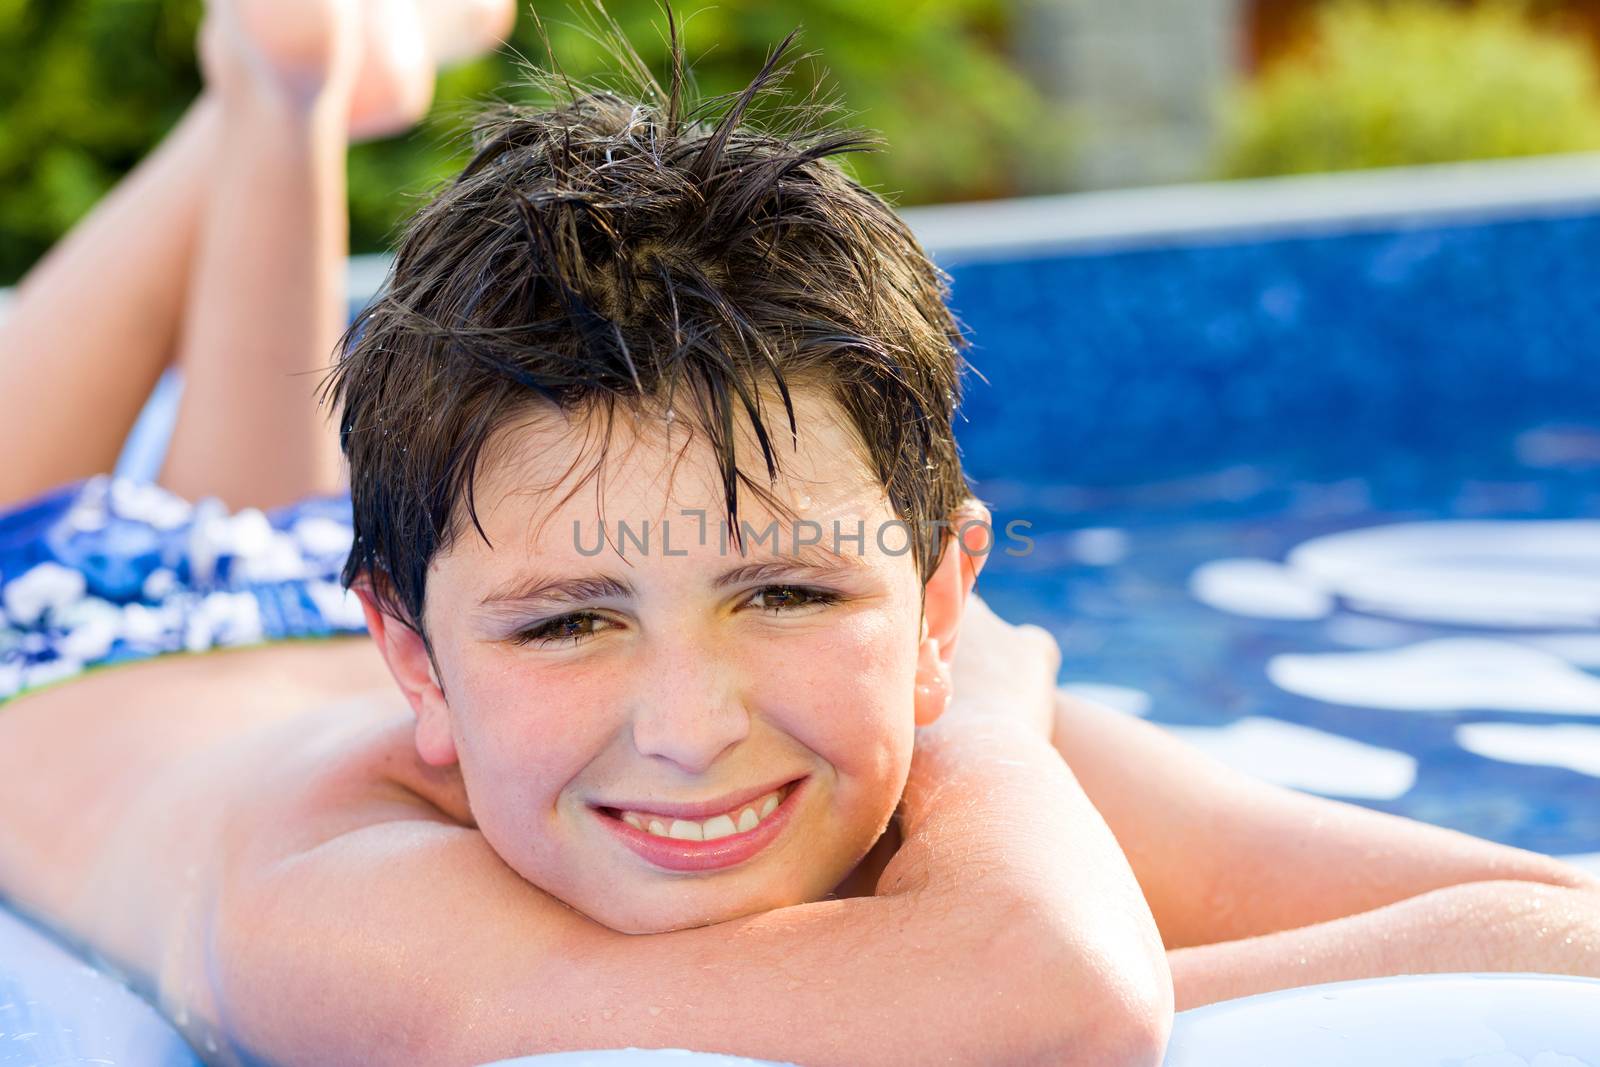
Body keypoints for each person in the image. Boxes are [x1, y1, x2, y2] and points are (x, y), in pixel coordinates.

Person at [0, 2, 1596, 1065]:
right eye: (579, 622)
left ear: (939, 597)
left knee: (281, 502)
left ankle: (283, 82)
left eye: (782, 590)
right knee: (221, 503)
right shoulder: (328, 913)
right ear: (409, 658)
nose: (694, 734)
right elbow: (1054, 1002)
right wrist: (972, 721)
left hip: (380, 596)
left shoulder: (863, 680)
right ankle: (276, 80)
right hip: (44, 642)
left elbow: (1544, 920)